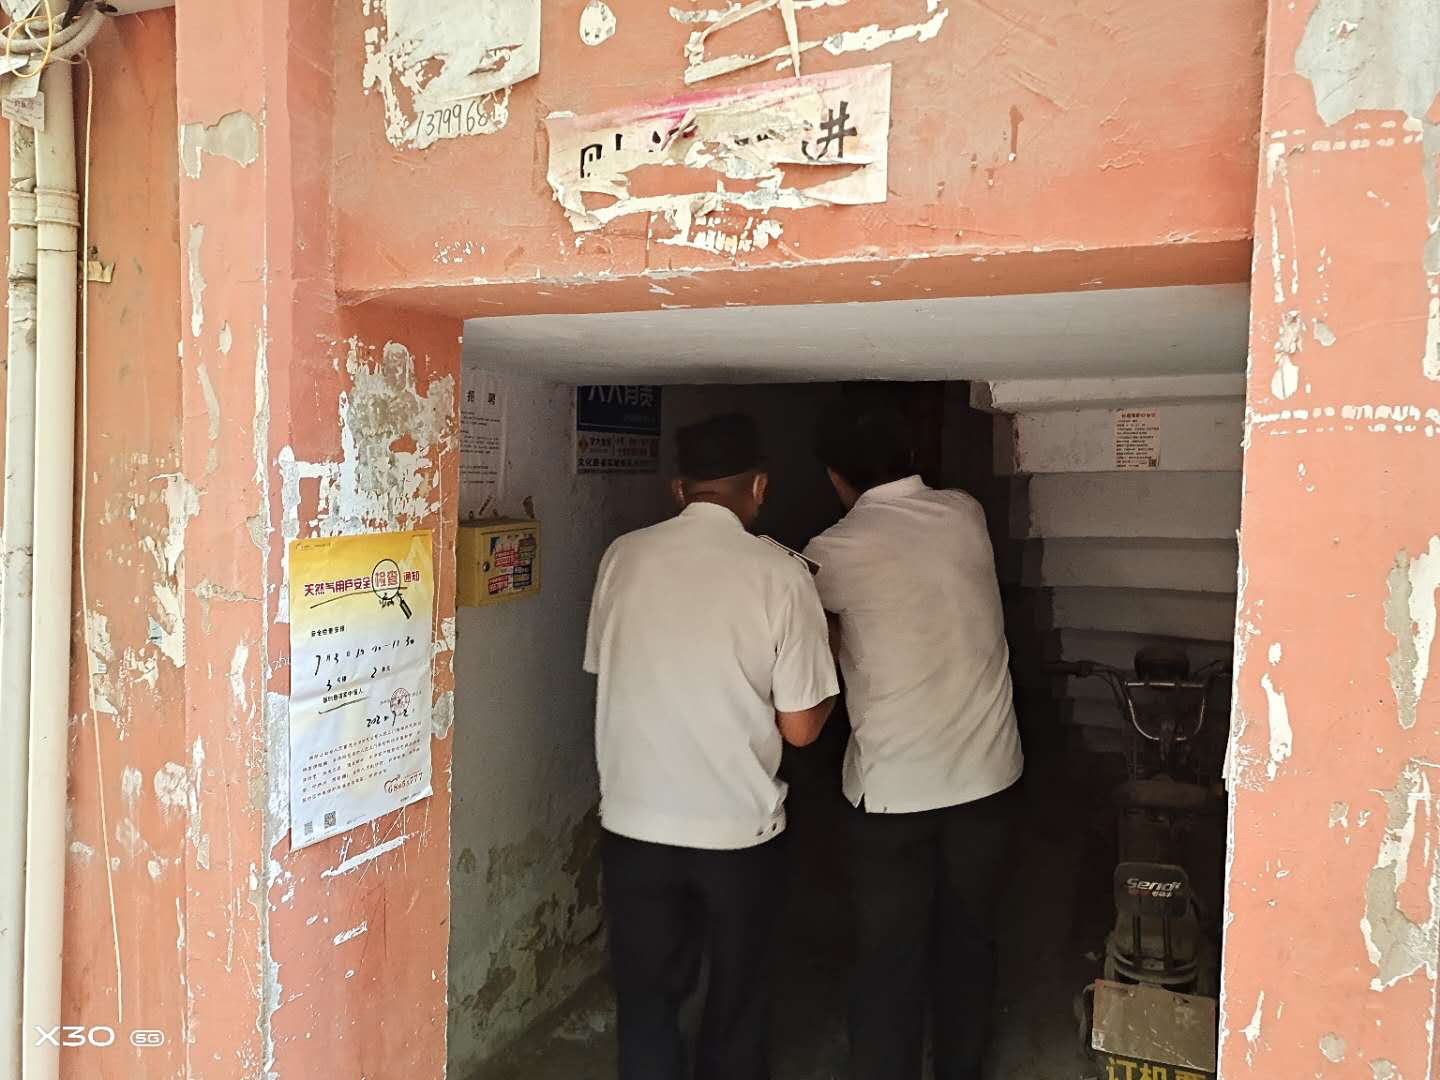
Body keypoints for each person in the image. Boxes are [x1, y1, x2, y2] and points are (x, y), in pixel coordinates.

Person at [583, 412, 839, 1080]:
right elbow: (801, 729)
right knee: (738, 1002)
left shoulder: (623, 557)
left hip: (635, 826)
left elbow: (606, 668)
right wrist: (830, 676)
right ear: (760, 486)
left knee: (646, 1006)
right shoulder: (781, 574)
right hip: (739, 835)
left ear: (678, 488)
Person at [802, 400, 1024, 1080]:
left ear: (835, 477)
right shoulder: (965, 513)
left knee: (888, 958)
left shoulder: (831, 551)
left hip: (894, 794)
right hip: (988, 777)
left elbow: (803, 641)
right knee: (969, 941)